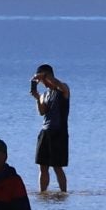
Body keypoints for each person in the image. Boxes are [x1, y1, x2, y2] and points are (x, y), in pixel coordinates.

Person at [29, 65, 71, 196]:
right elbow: (42, 112)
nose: (43, 82)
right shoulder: (45, 94)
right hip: (45, 131)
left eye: (43, 78)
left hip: (58, 131)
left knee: (57, 167)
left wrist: (46, 76)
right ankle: (43, 193)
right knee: (42, 166)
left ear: (49, 75)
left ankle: (64, 193)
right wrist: (37, 97)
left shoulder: (63, 88)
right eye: (41, 80)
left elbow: (59, 84)